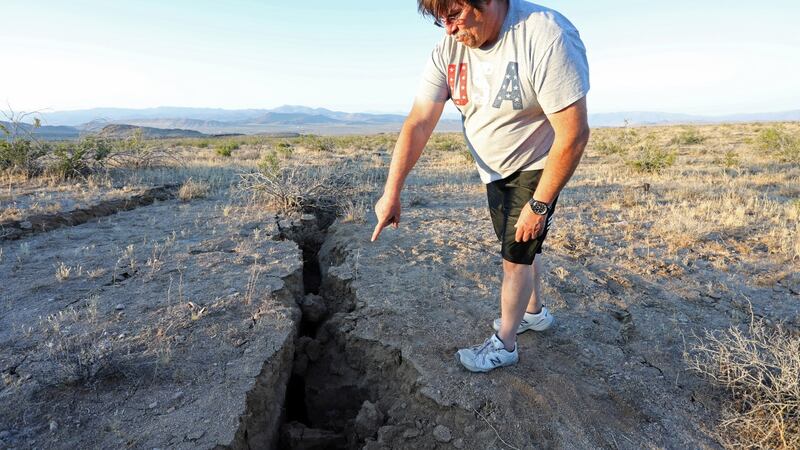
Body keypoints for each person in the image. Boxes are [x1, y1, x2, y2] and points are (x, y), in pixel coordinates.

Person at [370, 0, 590, 373]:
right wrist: (392, 191)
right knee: (520, 246)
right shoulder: (449, 48)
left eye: (454, 15)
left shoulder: (545, 35)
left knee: (515, 256)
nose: (449, 29)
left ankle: (505, 343)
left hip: (536, 162)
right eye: (441, 20)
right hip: (494, 170)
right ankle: (533, 313)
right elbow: (420, 121)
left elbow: (573, 133)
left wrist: (539, 205)